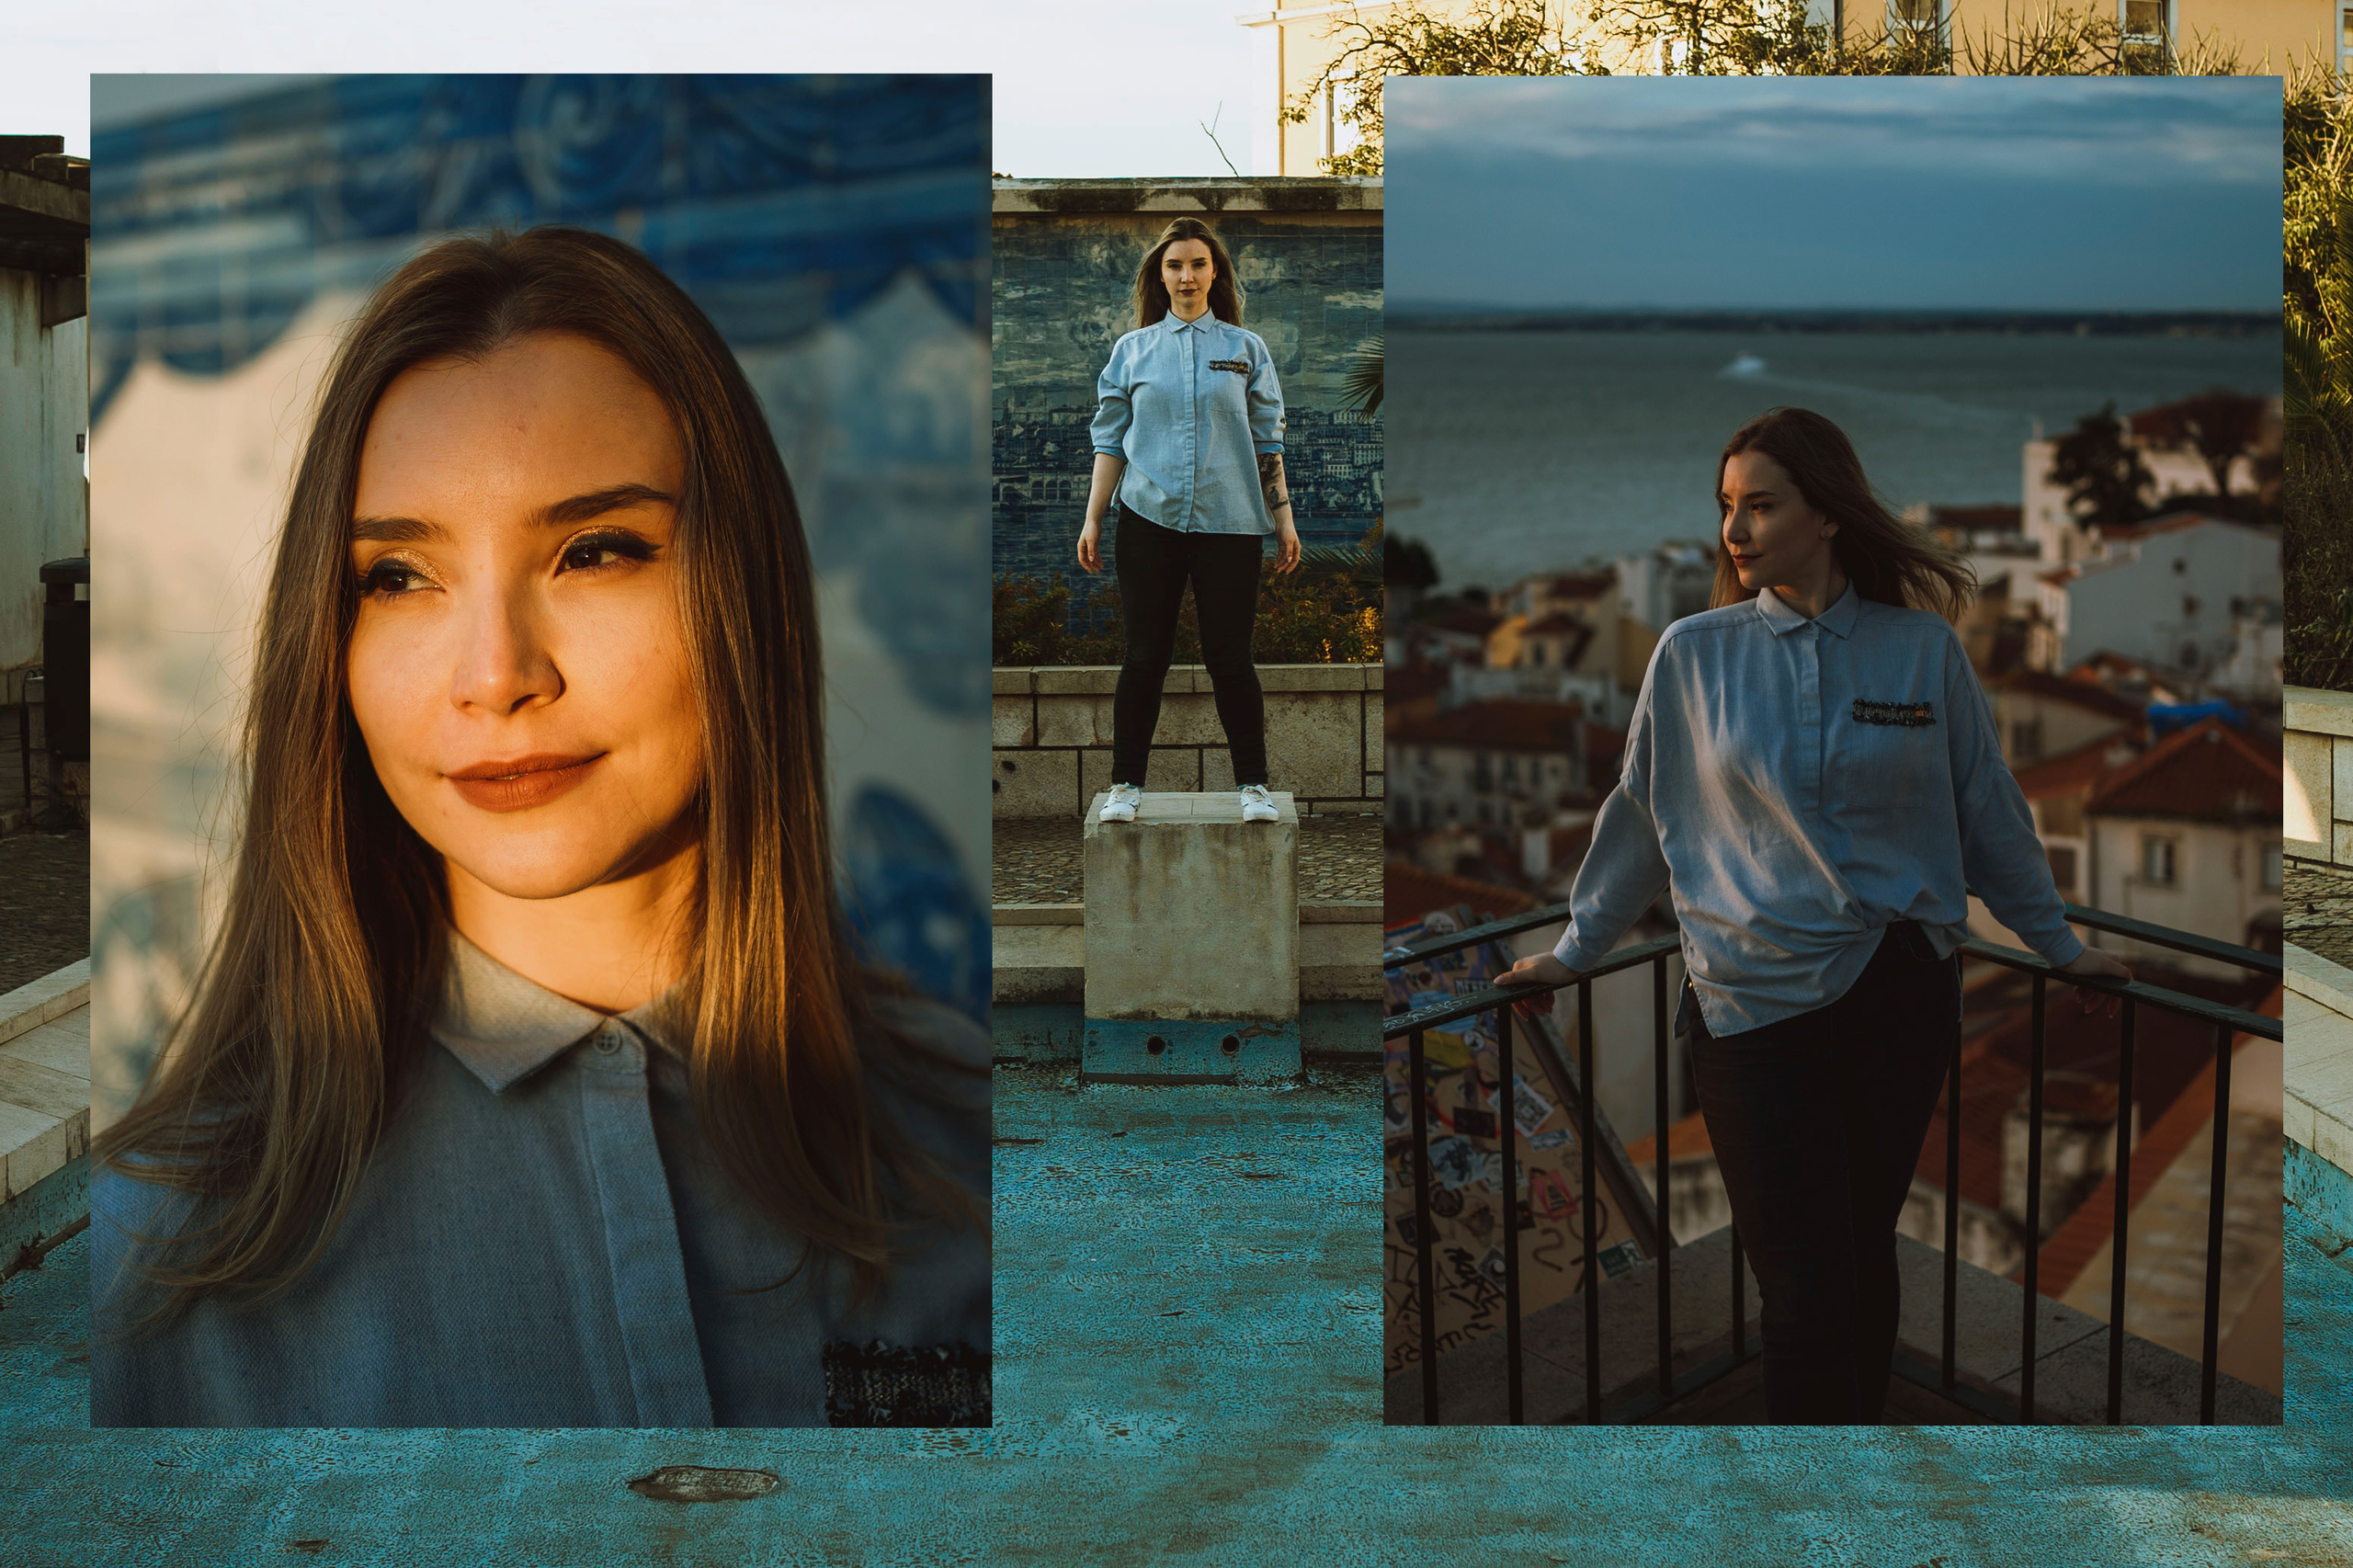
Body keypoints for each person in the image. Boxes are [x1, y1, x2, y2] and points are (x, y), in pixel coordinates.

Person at [90, 226, 990, 1429]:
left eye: (594, 550)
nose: (496, 674)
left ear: (746, 586)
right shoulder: (152, 1249)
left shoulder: (978, 1145)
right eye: (398, 575)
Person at [1496, 405, 2131, 1426]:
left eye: (1760, 504)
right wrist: (1571, 953)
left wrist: (2060, 945)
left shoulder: (1920, 651)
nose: (1734, 530)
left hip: (1899, 995)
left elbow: (1988, 814)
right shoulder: (1691, 654)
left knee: (1860, 1257)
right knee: (1800, 1295)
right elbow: (1638, 814)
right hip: (1749, 1007)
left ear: (1828, 514)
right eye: (1725, 507)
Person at [1077, 215, 1302, 825]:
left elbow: (1267, 443)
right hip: (1148, 520)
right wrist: (1093, 519)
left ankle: (1252, 786)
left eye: (1199, 264)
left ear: (1215, 273)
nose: (1187, 276)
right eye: (1175, 265)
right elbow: (1110, 443)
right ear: (1161, 275)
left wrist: (1284, 520)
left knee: (1231, 657)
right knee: (1144, 654)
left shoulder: (1245, 349)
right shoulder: (1132, 351)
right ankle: (1125, 784)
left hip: (1230, 523)